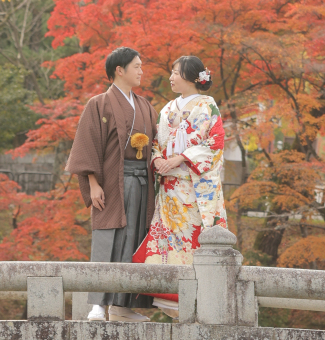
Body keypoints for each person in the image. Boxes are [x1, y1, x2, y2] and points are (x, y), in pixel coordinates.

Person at [66, 46, 158, 322]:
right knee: (108, 239)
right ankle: (98, 305)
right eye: (137, 66)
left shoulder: (144, 106)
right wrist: (93, 183)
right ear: (120, 70)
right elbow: (88, 145)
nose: (142, 71)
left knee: (135, 241)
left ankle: (122, 306)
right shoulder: (99, 104)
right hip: (111, 183)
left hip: (142, 183)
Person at [139, 55, 227, 316]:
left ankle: (194, 297)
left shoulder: (208, 107)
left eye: (175, 73)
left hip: (193, 187)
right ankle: (167, 295)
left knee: (191, 238)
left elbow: (215, 145)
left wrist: (179, 158)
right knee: (168, 239)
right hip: (169, 188)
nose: (171, 77)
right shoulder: (167, 108)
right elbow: (157, 140)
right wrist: (156, 159)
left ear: (190, 77)